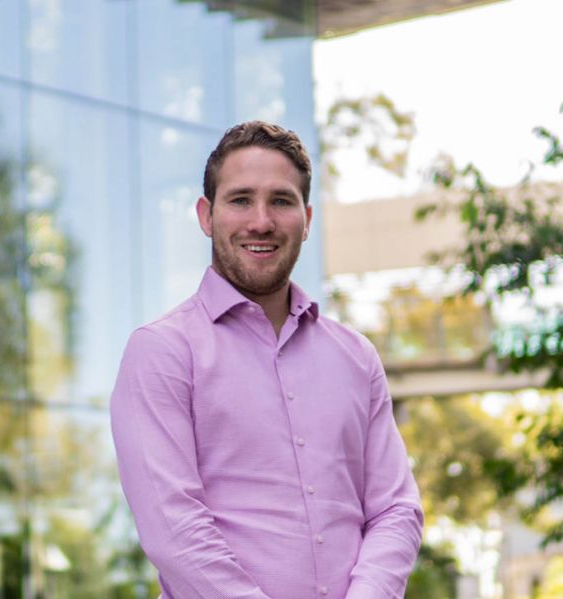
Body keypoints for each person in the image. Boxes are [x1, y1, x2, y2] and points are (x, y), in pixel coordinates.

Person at [110, 121, 423, 598]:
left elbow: (395, 510)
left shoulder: (356, 358)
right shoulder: (163, 352)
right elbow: (174, 531)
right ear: (206, 215)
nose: (261, 221)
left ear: (307, 217)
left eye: (280, 200)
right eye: (240, 200)